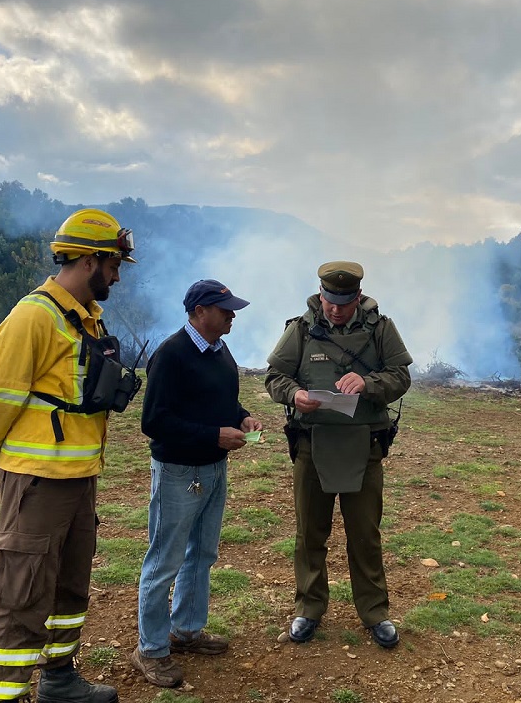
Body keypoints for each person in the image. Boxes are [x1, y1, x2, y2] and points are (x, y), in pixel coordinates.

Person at [0, 209, 136, 703]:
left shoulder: (86, 317)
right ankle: (6, 695)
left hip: (79, 477)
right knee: (22, 592)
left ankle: (59, 679)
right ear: (87, 260)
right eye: (113, 264)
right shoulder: (32, 316)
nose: (118, 275)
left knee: (68, 585)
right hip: (37, 481)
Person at [265, 261, 412, 649]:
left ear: (357, 297)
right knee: (310, 533)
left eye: (344, 303)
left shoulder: (380, 329)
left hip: (364, 447)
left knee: (365, 534)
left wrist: (368, 382)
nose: (335, 309)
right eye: (330, 301)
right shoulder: (300, 329)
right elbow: (275, 377)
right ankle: (308, 609)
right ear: (321, 294)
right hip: (313, 446)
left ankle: (375, 612)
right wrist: (294, 394)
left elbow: (401, 376)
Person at [131, 279, 262, 688]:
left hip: (213, 468)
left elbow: (217, 400)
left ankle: (186, 630)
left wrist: (241, 417)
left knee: (202, 553)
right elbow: (153, 422)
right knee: (164, 559)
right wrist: (212, 436)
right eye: (225, 310)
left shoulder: (219, 349)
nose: (233, 316)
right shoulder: (171, 355)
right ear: (200, 311)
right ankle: (150, 649)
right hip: (178, 472)